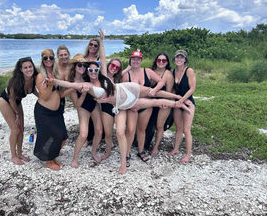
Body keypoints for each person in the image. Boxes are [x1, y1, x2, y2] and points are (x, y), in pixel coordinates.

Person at [52, 65, 191, 174]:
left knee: (154, 94)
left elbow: (103, 58)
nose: (93, 71)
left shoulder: (104, 77)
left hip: (129, 90)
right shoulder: (88, 86)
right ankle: (123, 163)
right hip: (122, 105)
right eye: (91, 70)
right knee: (120, 132)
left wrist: (101, 41)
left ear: (98, 70)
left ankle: (179, 100)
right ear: (87, 72)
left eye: (96, 69)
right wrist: (54, 81)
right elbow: (70, 85)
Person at [122, 49, 168, 165]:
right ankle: (126, 154)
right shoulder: (126, 75)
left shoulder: (147, 71)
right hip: (132, 106)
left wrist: (154, 90)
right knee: (130, 130)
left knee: (141, 129)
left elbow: (161, 81)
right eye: (133, 59)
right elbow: (124, 93)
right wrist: (131, 105)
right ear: (130, 60)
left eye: (138, 59)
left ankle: (141, 151)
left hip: (147, 105)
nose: (135, 61)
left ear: (141, 60)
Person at [65, 53, 104, 167]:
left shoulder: (88, 75)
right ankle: (75, 158)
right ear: (75, 67)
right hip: (82, 107)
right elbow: (76, 105)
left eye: (84, 66)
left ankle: (93, 152)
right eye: (79, 65)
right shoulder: (72, 83)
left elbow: (99, 74)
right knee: (83, 134)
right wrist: (83, 93)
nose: (82, 67)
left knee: (99, 131)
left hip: (94, 104)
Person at [0, 57, 38, 165]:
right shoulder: (15, 81)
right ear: (21, 69)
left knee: (21, 128)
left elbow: (33, 89)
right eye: (25, 68)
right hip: (6, 101)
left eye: (30, 66)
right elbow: (11, 99)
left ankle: (20, 154)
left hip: (17, 101)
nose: (29, 69)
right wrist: (16, 114)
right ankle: (13, 156)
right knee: (15, 129)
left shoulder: (33, 78)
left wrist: (42, 98)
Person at [33, 49, 68, 170]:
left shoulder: (56, 74)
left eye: (51, 58)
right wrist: (50, 85)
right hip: (44, 112)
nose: (48, 60)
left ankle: (53, 157)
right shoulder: (40, 76)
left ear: (54, 59)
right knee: (53, 135)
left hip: (56, 112)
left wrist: (75, 88)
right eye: (45, 58)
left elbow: (60, 93)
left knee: (63, 136)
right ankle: (49, 161)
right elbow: (44, 96)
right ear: (42, 60)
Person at [98, 29, 123, 160]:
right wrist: (101, 41)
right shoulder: (103, 75)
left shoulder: (119, 79)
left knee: (119, 130)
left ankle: (122, 149)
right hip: (107, 108)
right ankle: (108, 151)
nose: (114, 67)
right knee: (108, 133)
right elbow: (102, 58)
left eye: (117, 67)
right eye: (113, 65)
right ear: (109, 65)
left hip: (118, 107)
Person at [168, 50, 196, 162]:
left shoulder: (189, 71)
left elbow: (192, 88)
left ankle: (188, 154)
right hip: (178, 102)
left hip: (188, 102)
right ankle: (176, 149)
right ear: (174, 59)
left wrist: (183, 100)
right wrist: (174, 100)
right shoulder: (173, 71)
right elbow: (174, 89)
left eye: (181, 58)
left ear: (185, 60)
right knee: (178, 128)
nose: (179, 59)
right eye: (177, 57)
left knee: (186, 129)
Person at [149, 53, 175, 157]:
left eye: (163, 60)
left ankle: (156, 147)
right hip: (151, 101)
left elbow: (169, 91)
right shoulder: (151, 72)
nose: (161, 62)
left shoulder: (168, 74)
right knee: (149, 124)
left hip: (164, 102)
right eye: (159, 60)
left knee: (159, 126)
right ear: (156, 61)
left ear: (167, 62)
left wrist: (167, 103)